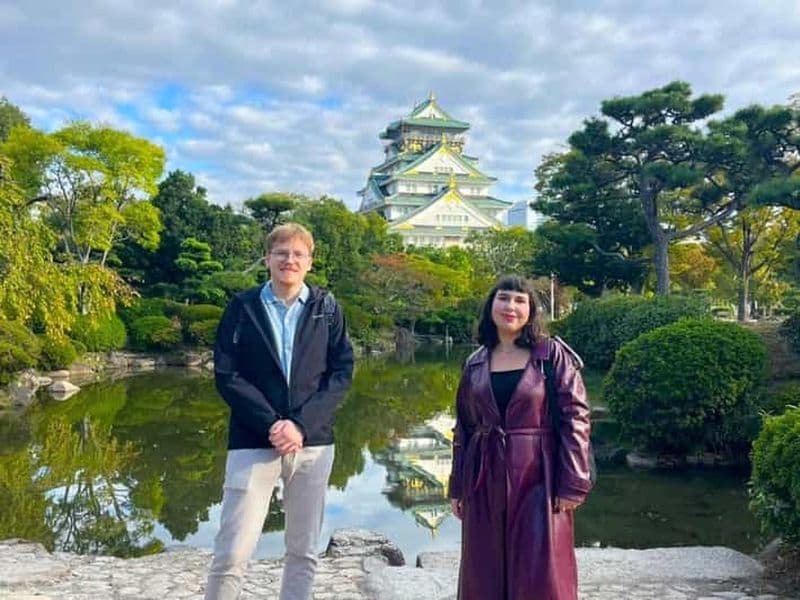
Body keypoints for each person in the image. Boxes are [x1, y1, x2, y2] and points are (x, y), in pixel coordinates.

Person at [205, 223, 354, 600]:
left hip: (313, 444)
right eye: (282, 253)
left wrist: (300, 425)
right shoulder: (242, 308)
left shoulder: (327, 309)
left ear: (310, 262)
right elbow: (227, 373)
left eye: (298, 254)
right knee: (232, 551)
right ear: (267, 259)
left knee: (303, 551)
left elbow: (341, 372)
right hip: (253, 440)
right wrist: (272, 423)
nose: (290, 260)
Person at [448, 275, 592, 600]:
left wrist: (574, 482)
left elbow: (577, 418)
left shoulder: (550, 355)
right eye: (503, 298)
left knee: (540, 571)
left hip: (539, 474)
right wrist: (457, 486)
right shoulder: (475, 363)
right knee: (484, 570)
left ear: (531, 310)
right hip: (484, 477)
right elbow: (464, 429)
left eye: (519, 300)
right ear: (491, 306)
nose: (510, 306)